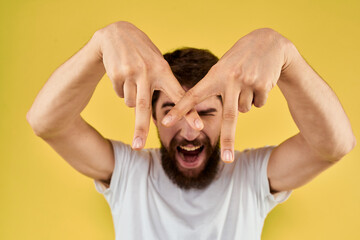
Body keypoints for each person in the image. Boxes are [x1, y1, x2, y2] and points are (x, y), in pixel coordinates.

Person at [27, 21, 356, 239]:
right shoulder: (130, 171)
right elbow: (46, 122)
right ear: (152, 115)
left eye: (206, 112)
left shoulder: (250, 176)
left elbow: (335, 144)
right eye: (171, 110)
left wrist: (286, 55)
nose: (189, 129)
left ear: (227, 113)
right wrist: (101, 44)